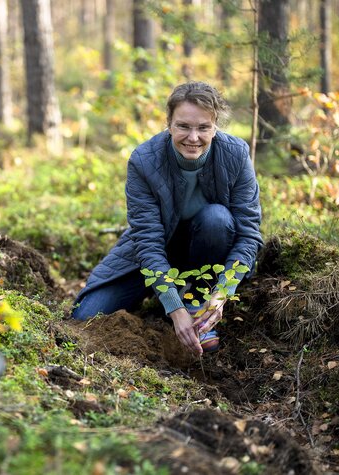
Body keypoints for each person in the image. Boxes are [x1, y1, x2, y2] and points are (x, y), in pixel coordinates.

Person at [71, 81, 263, 356]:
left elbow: (248, 235)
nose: (193, 137)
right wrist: (174, 308)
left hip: (210, 247)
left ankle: (197, 300)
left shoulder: (235, 155)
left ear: (215, 126)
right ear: (169, 124)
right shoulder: (144, 161)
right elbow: (147, 242)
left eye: (203, 128)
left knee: (217, 218)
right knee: (83, 317)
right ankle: (167, 297)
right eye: (183, 126)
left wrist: (221, 295)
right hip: (157, 251)